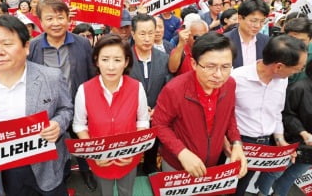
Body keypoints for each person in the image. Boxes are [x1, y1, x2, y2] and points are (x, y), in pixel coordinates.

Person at [0, 15, 73, 196]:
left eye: (7, 43)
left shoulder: (51, 77)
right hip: (4, 170)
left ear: (26, 46)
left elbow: (66, 109)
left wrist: (58, 124)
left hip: (47, 167)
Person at [153, 32, 247, 178]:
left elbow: (229, 115)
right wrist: (182, 152)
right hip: (177, 165)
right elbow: (159, 124)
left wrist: (236, 143)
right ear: (194, 64)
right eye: (210, 67)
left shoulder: (230, 85)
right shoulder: (174, 89)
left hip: (212, 163)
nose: (218, 75)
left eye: (225, 67)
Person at [28, 0, 97, 191]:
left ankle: (86, 170)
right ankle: (62, 173)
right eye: (49, 18)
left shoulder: (82, 43)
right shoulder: (33, 46)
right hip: (47, 108)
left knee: (81, 141)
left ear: (68, 19)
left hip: (77, 103)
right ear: (41, 22)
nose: (56, 23)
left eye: (60, 17)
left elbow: (91, 73)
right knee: (55, 143)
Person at [73, 34, 149, 196]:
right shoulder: (84, 90)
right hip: (100, 159)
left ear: (126, 62)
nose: (111, 67)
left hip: (128, 157)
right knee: (104, 193)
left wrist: (135, 151)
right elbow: (79, 125)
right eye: (105, 59)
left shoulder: (137, 87)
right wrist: (95, 153)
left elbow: (143, 121)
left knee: (126, 192)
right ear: (96, 61)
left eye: (117, 60)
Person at [231, 35, 308, 196]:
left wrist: (281, 141)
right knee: (227, 188)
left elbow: (276, 113)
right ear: (278, 66)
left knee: (241, 188)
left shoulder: (282, 80)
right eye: (297, 68)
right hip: (236, 144)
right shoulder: (237, 79)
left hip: (262, 145)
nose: (298, 72)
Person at [258, 59, 312, 196]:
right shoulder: (299, 88)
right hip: (290, 140)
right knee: (275, 172)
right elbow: (286, 114)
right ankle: (261, 192)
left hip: (310, 149)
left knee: (293, 175)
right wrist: (303, 132)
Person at [129, 14, 171, 174]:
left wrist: (158, 108)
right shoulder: (124, 57)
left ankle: (150, 168)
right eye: (142, 34)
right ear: (133, 34)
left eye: (151, 33)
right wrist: (137, 107)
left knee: (152, 152)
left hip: (156, 115)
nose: (147, 39)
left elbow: (167, 87)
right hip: (130, 117)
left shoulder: (164, 58)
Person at [225, 0, 270, 68]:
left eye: (262, 21)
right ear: (240, 18)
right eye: (253, 21)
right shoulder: (225, 41)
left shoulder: (267, 42)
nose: (258, 26)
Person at [283, 17, 312, 84]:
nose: (296, 44)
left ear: (310, 39)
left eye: (302, 41)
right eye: (292, 39)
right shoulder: (276, 50)